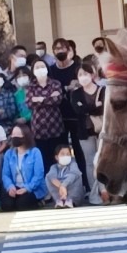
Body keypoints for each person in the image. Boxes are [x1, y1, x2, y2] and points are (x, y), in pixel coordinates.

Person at [49, 38, 86, 186]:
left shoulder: (77, 68)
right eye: (57, 49)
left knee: (79, 151)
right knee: (61, 153)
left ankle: (84, 184)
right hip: (58, 117)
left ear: (69, 50)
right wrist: (65, 88)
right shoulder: (51, 70)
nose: (60, 51)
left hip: (76, 115)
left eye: (63, 48)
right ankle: (62, 185)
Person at [70, 63, 108, 205]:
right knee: (90, 162)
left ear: (92, 75)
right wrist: (94, 106)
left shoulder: (102, 90)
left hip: (102, 131)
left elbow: (103, 108)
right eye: (80, 75)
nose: (83, 77)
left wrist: (87, 108)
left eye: (85, 74)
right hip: (84, 131)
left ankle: (106, 190)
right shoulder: (76, 94)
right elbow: (78, 110)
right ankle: (95, 193)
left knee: (103, 161)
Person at [27, 60, 65, 172]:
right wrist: (49, 98)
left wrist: (39, 99)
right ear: (33, 71)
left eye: (42, 66)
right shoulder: (31, 86)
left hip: (55, 127)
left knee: (58, 158)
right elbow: (30, 103)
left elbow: (57, 100)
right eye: (37, 67)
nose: (40, 69)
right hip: (38, 130)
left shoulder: (55, 83)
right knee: (43, 160)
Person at [0, 122, 47, 211]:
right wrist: (10, 186)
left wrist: (27, 188)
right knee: (7, 205)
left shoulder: (35, 152)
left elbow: (38, 175)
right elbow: (5, 175)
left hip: (32, 188)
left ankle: (39, 202)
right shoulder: (8, 154)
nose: (15, 137)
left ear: (25, 136)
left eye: (18, 135)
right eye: (13, 135)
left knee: (22, 204)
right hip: (15, 186)